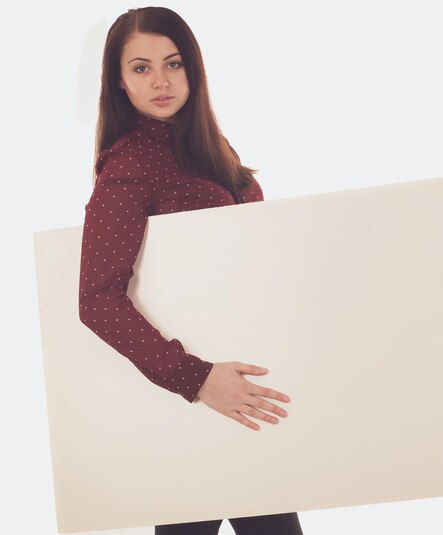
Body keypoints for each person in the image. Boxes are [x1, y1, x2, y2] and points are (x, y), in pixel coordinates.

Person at [78, 7, 304, 535]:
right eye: (140, 68)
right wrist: (198, 379)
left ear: (193, 69)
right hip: (191, 398)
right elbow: (97, 299)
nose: (160, 80)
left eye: (173, 63)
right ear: (118, 81)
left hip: (250, 390)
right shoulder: (129, 165)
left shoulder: (215, 151)